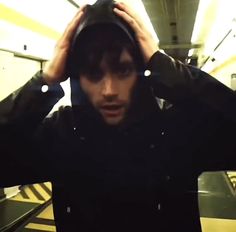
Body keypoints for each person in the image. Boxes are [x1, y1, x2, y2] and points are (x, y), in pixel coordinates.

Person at [0, 0, 236, 231]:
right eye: (93, 73)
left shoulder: (177, 130)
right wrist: (44, 81)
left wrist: (166, 67)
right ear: (76, 77)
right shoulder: (61, 134)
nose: (109, 90)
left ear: (142, 73)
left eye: (123, 70)